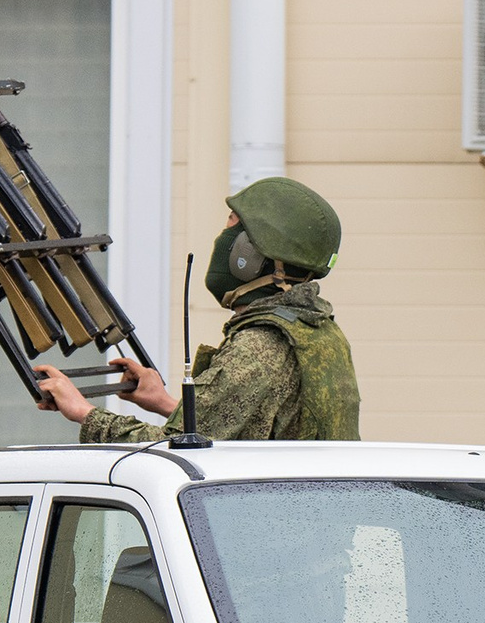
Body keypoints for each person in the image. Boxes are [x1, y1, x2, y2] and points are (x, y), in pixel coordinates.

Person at [32, 176, 361, 443]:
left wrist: (83, 412)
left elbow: (177, 451)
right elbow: (243, 430)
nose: (222, 237)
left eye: (231, 225)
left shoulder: (258, 348)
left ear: (247, 256)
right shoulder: (318, 332)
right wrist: (163, 402)